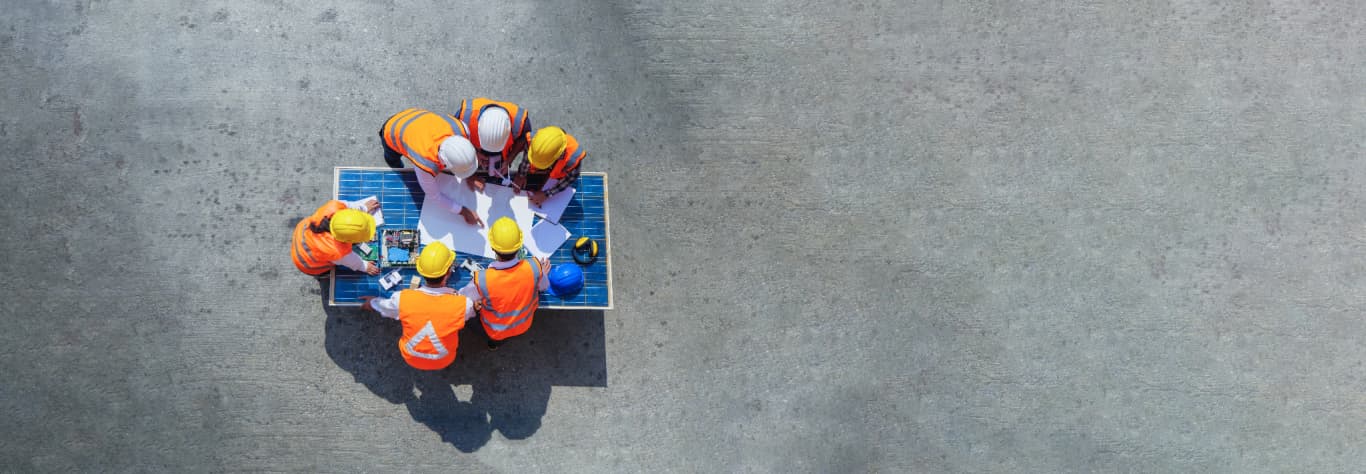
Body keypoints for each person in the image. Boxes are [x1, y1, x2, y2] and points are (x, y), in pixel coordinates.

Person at [360, 242, 479, 370]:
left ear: (420, 270)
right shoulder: (463, 304)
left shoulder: (403, 299)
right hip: (444, 360)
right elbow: (471, 312)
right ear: (449, 272)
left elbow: (385, 307)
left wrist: (372, 303)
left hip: (410, 357)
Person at [380, 108, 483, 227]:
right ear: (445, 163)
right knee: (393, 160)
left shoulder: (462, 130)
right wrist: (463, 211)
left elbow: (463, 154)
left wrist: (470, 173)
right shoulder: (425, 163)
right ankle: (397, 168)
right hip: (392, 129)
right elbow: (435, 196)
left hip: (415, 115)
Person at [459, 217, 549, 350]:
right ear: (519, 245)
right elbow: (544, 286)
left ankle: (493, 343)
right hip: (524, 324)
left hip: (496, 331)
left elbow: (463, 298)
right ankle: (494, 344)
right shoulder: (534, 267)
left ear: (492, 247)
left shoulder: (483, 279)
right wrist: (541, 272)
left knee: (467, 316)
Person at [454, 98, 531, 191]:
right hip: (475, 149)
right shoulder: (463, 116)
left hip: (503, 156)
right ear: (479, 127)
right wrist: (473, 156)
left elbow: (523, 140)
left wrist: (509, 159)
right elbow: (456, 145)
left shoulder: (521, 122)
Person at [291, 200, 382, 276]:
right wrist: (365, 267)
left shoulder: (334, 207)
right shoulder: (337, 251)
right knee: (329, 266)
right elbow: (353, 262)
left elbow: (350, 207)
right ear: (348, 241)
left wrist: (364, 208)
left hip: (302, 236)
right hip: (308, 264)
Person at [514, 126, 586, 206]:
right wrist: (521, 175)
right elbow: (527, 158)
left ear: (559, 156)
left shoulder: (573, 159)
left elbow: (568, 180)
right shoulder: (535, 142)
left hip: (558, 176)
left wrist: (546, 194)